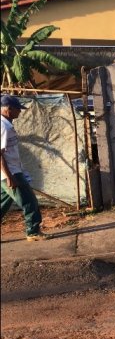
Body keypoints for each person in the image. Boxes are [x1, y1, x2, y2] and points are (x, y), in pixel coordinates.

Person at [1, 94, 49, 241]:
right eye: (18, 109)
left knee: (2, 204)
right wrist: (9, 177)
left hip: (11, 171)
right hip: (10, 172)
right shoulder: (3, 126)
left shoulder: (7, 124)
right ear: (8, 109)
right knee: (29, 201)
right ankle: (33, 232)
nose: (20, 112)